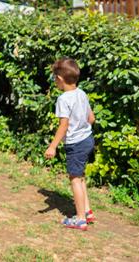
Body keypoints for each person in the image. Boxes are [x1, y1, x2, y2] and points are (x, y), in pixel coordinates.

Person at [44, 57, 97, 231]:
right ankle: (87, 211)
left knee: (74, 179)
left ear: (59, 79)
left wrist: (52, 146)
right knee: (80, 176)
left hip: (75, 144)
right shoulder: (82, 93)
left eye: (54, 78)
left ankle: (80, 219)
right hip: (88, 139)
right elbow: (91, 118)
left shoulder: (63, 99)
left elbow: (64, 125)